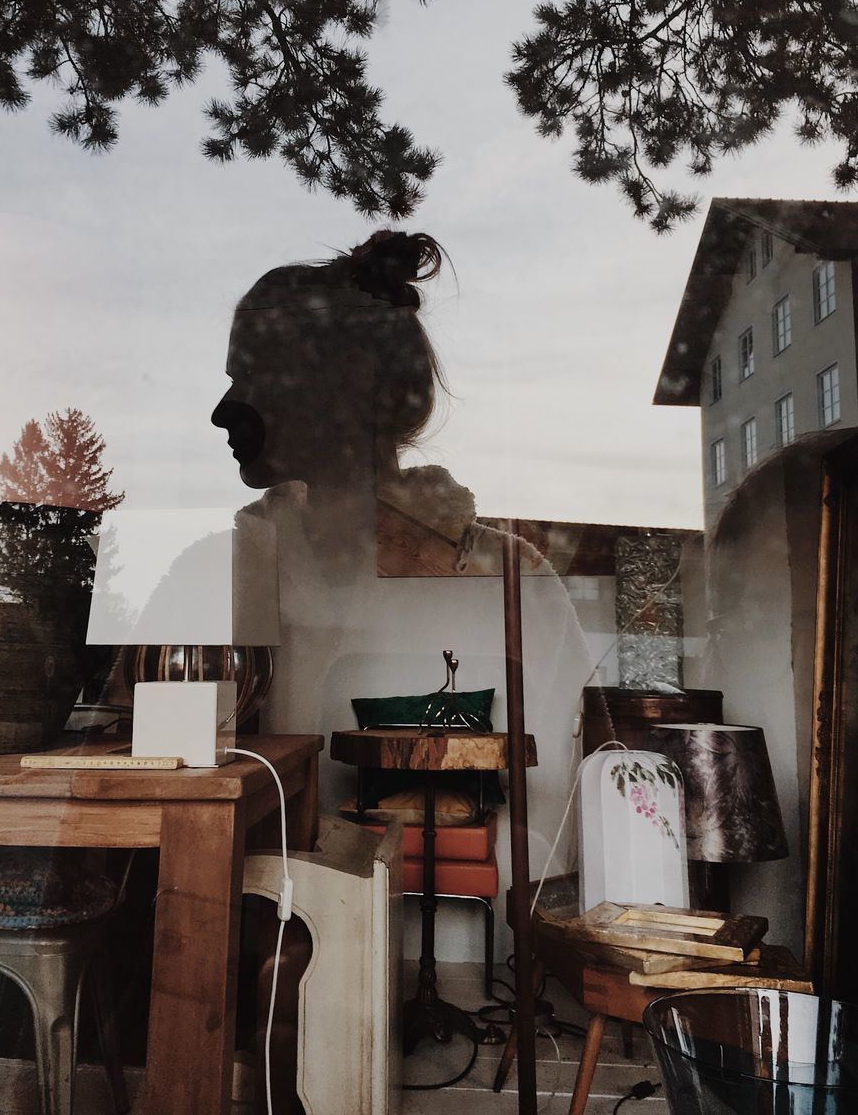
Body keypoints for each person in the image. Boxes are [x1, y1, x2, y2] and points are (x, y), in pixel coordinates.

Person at [213, 230, 596, 953]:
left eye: (247, 379)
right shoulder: (239, 560)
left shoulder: (511, 587)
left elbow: (563, 818)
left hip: (464, 968)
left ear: (329, 394)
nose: (222, 412)